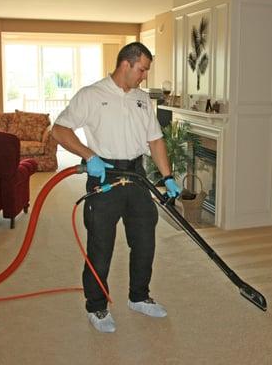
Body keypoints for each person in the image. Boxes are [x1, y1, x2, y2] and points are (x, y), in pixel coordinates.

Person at [51, 42, 181, 333]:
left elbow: (155, 140)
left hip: (137, 175)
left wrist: (168, 176)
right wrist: (89, 156)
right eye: (142, 69)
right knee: (100, 244)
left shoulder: (143, 100)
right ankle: (96, 307)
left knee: (145, 239)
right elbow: (59, 129)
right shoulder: (91, 95)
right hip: (105, 175)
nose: (145, 76)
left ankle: (139, 296)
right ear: (126, 64)